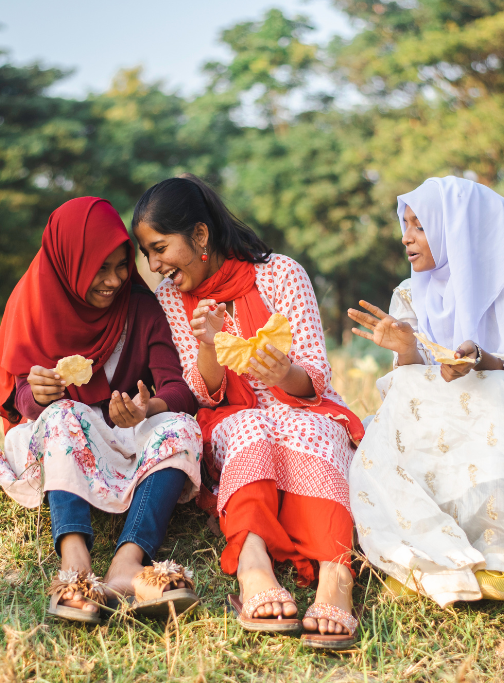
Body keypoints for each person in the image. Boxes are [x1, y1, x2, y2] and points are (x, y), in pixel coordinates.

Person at [131, 175, 365, 649]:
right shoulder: (171, 300)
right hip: (231, 416)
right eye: (148, 254)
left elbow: (315, 375)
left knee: (307, 428)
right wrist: (211, 342)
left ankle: (335, 573)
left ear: (200, 236)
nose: (155, 266)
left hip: (302, 405)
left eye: (160, 248)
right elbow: (204, 394)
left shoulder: (281, 274)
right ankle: (254, 563)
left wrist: (280, 373)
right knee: (248, 425)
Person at [347, 177, 504, 607]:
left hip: (502, 401)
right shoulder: (409, 292)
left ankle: (497, 550)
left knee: (491, 393)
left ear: (455, 227)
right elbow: (412, 374)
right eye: (405, 225)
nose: (406, 238)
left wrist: (479, 359)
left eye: (419, 225)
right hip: (435, 407)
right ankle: (418, 554)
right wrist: (405, 349)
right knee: (404, 393)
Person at [0, 197, 203, 625]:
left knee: (181, 426)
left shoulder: (139, 306)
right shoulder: (35, 302)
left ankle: (127, 565)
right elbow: (21, 399)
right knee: (63, 412)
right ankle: (75, 570)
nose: (114, 280)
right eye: (99, 267)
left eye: (121, 266)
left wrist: (147, 408)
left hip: (123, 435)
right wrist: (41, 393)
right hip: (60, 435)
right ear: (68, 261)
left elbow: (177, 388)